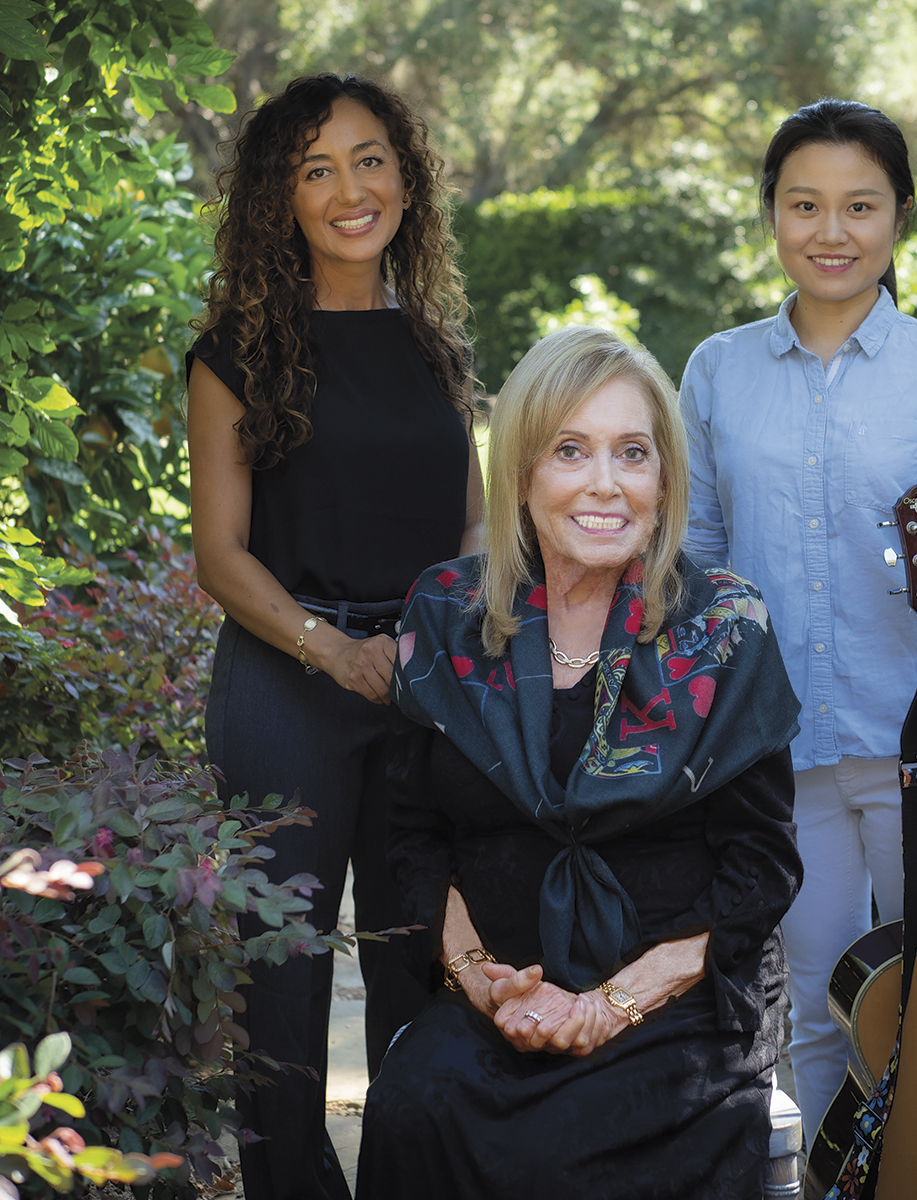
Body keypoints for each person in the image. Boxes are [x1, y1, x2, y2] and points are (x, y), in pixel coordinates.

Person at [356, 325, 803, 1199]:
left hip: (676, 1001)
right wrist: (482, 981)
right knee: (416, 1106)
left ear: (663, 478)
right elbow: (409, 839)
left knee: (614, 1147)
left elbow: (761, 867)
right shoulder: (445, 618)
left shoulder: (722, 630)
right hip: (504, 997)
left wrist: (607, 1006)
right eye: (570, 450)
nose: (605, 483)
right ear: (522, 472)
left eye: (632, 453)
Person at [679, 98, 917, 1144]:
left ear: (900, 216)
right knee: (822, 1019)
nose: (832, 232)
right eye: (805, 205)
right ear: (773, 215)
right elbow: (692, 560)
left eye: (860, 206)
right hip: (779, 757)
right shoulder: (716, 370)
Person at [185, 74, 484, 1200]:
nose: (350, 189)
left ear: (405, 176)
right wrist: (330, 646)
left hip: (421, 685)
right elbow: (222, 555)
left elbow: (467, 522)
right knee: (283, 981)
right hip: (283, 690)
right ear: (280, 199)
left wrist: (436, 640)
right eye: (315, 168)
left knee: (421, 958)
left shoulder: (436, 348)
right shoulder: (233, 356)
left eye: (369, 159)